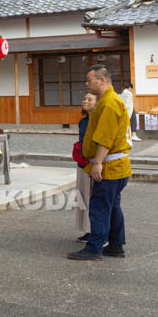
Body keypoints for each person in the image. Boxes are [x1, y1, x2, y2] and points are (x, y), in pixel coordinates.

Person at [69, 66, 131, 261]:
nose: (87, 84)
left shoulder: (110, 103)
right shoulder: (107, 101)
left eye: (90, 80)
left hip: (109, 165)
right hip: (116, 165)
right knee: (112, 207)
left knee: (100, 207)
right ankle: (115, 244)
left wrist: (97, 162)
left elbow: (105, 137)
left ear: (102, 79)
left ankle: (94, 247)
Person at [74, 91, 98, 241]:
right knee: (83, 196)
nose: (86, 101)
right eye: (84, 98)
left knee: (93, 197)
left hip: (94, 161)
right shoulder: (83, 121)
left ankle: (96, 230)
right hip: (82, 161)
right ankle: (88, 229)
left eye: (90, 99)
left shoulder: (99, 120)